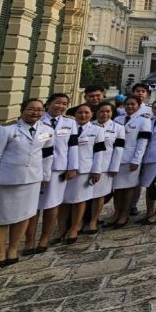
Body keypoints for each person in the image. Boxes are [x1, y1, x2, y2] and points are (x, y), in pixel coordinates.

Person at [0, 98, 52, 267]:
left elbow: (48, 154)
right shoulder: (6, 130)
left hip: (32, 179)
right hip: (6, 180)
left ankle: (13, 248)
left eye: (39, 110)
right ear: (22, 110)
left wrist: (45, 177)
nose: (35, 113)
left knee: (24, 215)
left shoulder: (47, 130)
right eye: (31, 109)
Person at [23, 94, 75, 256]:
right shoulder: (37, 121)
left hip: (58, 167)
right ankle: (29, 240)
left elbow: (73, 147)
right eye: (57, 103)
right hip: (36, 168)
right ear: (49, 104)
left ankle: (45, 238)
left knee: (52, 204)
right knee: (33, 206)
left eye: (64, 104)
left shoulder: (69, 122)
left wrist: (72, 167)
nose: (60, 106)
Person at [110, 95, 150, 228]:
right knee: (117, 188)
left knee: (129, 188)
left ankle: (124, 214)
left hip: (131, 158)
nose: (130, 106)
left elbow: (143, 142)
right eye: (127, 104)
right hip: (116, 158)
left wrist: (137, 160)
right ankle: (116, 212)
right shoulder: (117, 119)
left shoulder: (143, 121)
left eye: (133, 104)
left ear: (138, 106)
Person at [62, 104, 100, 244]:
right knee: (63, 201)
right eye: (80, 113)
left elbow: (99, 153)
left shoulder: (96, 130)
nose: (83, 115)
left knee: (80, 199)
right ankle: (61, 228)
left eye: (86, 113)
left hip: (84, 168)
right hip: (63, 168)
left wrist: (96, 170)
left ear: (91, 115)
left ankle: (74, 227)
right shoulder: (66, 128)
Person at [90, 102, 123, 229]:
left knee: (100, 194)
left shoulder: (118, 127)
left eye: (108, 111)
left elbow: (119, 148)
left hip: (106, 165)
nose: (105, 114)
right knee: (85, 195)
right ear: (96, 112)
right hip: (88, 164)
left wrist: (114, 167)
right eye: (102, 111)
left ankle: (94, 220)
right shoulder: (89, 126)